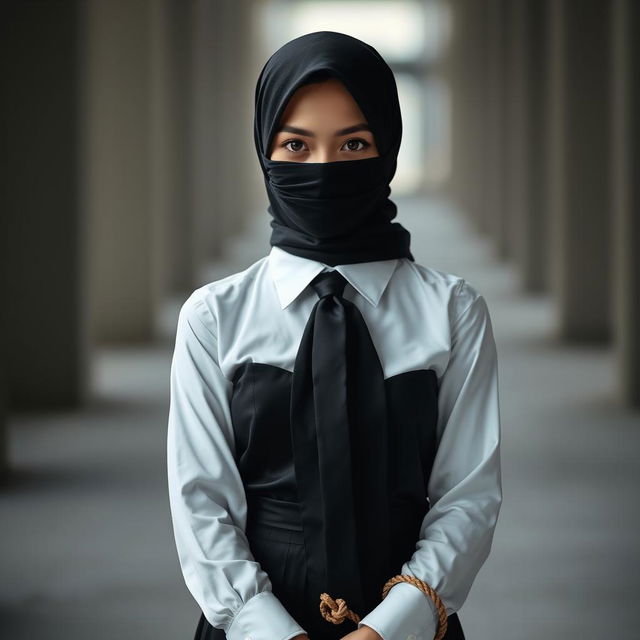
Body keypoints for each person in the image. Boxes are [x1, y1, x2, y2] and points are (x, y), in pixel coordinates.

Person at [167, 31, 503, 640]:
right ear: (265, 152)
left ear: (390, 149)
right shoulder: (214, 317)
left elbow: (468, 495)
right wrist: (269, 627)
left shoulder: (453, 312)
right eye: (296, 145)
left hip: (411, 616)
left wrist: (388, 629)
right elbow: (201, 503)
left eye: (354, 143)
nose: (324, 169)